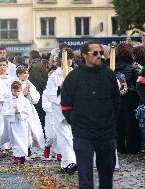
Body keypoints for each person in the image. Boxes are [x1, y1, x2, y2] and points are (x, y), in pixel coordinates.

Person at [61, 41, 120, 189]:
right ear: (84, 55)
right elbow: (66, 105)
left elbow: (117, 102)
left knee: (107, 174)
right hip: (83, 131)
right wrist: (76, 123)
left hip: (106, 131)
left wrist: (111, 121)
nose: (99, 56)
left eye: (101, 52)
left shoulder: (109, 75)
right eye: (95, 53)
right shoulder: (74, 77)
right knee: (85, 174)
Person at [43, 48, 77, 174]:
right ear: (60, 61)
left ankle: (67, 162)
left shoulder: (76, 73)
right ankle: (70, 162)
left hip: (74, 109)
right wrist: (60, 89)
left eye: (70, 59)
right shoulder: (54, 76)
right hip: (60, 110)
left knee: (73, 136)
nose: (69, 61)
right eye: (66, 59)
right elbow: (49, 94)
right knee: (64, 136)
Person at [115, 43, 141, 154]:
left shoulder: (112, 66)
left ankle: (120, 147)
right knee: (131, 123)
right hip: (131, 97)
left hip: (116, 98)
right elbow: (137, 84)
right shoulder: (133, 67)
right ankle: (132, 147)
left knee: (118, 122)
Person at [16, 66, 45, 158]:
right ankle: (20, 148)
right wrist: (22, 94)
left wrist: (30, 94)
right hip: (20, 110)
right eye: (24, 73)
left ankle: (28, 147)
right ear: (18, 75)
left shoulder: (29, 84)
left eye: (27, 73)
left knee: (29, 129)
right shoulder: (15, 84)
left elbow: (36, 97)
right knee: (21, 129)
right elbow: (12, 96)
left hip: (29, 109)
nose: (26, 75)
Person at [2, 81, 33, 165]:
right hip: (14, 123)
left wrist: (21, 112)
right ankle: (16, 156)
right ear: (11, 90)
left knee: (23, 140)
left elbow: (28, 111)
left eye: (18, 91)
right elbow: (4, 111)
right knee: (15, 140)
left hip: (22, 123)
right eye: (15, 91)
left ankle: (22, 156)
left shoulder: (24, 100)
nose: (17, 93)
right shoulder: (8, 101)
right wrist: (13, 111)